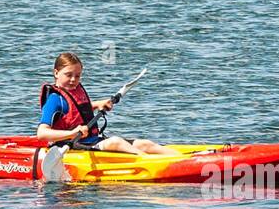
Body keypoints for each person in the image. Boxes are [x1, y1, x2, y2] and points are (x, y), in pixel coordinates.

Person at [36, 52, 176, 155]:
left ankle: (182, 157)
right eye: (68, 75)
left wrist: (98, 104)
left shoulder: (75, 91)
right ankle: (151, 162)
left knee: (145, 143)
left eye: (77, 75)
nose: (73, 79)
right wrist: (72, 133)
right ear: (56, 73)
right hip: (71, 145)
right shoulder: (54, 99)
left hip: (92, 140)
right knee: (115, 141)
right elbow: (42, 134)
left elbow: (76, 110)